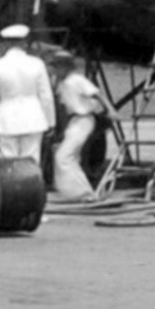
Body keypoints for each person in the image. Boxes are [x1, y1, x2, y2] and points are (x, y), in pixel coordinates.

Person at [50, 51, 113, 202]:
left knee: (63, 156)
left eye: (58, 67)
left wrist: (111, 110)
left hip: (84, 119)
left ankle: (84, 193)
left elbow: (97, 94)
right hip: (74, 121)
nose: (56, 70)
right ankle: (72, 192)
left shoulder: (77, 80)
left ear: (66, 67)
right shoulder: (61, 83)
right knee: (70, 157)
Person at [0, 25, 56, 163]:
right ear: (25, 41)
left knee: (8, 163)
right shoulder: (37, 64)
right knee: (32, 161)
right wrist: (51, 121)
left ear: (6, 43)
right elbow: (46, 96)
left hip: (6, 120)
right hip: (34, 118)